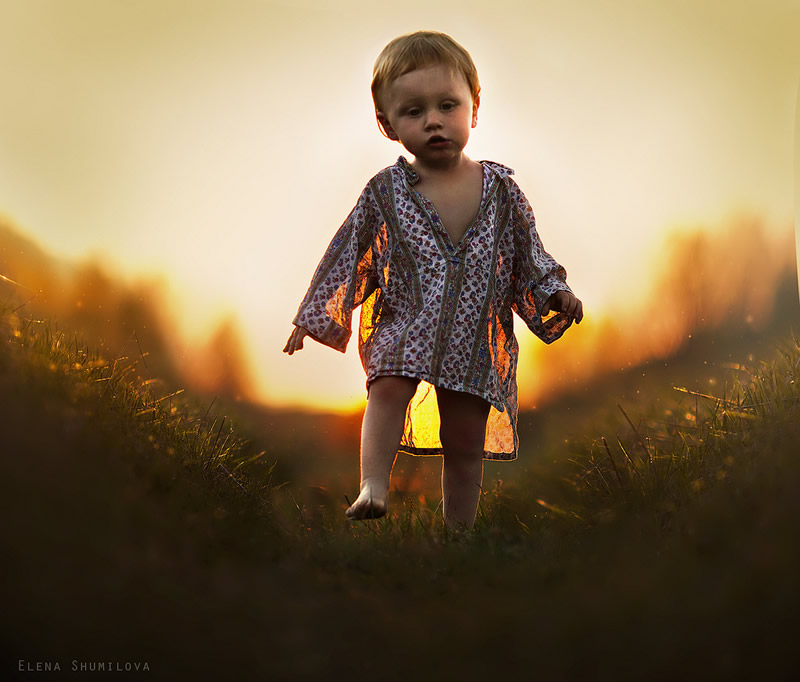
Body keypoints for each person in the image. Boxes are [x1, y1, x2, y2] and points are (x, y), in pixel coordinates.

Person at [283, 30, 582, 530]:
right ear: (387, 124)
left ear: (474, 107)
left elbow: (531, 254)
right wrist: (313, 316)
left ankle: (458, 539)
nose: (434, 121)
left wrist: (556, 291)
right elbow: (347, 252)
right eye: (414, 112)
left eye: (447, 105)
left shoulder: (503, 191)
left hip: (475, 341)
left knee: (465, 442)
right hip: (405, 324)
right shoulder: (386, 192)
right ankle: (373, 486)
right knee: (386, 385)